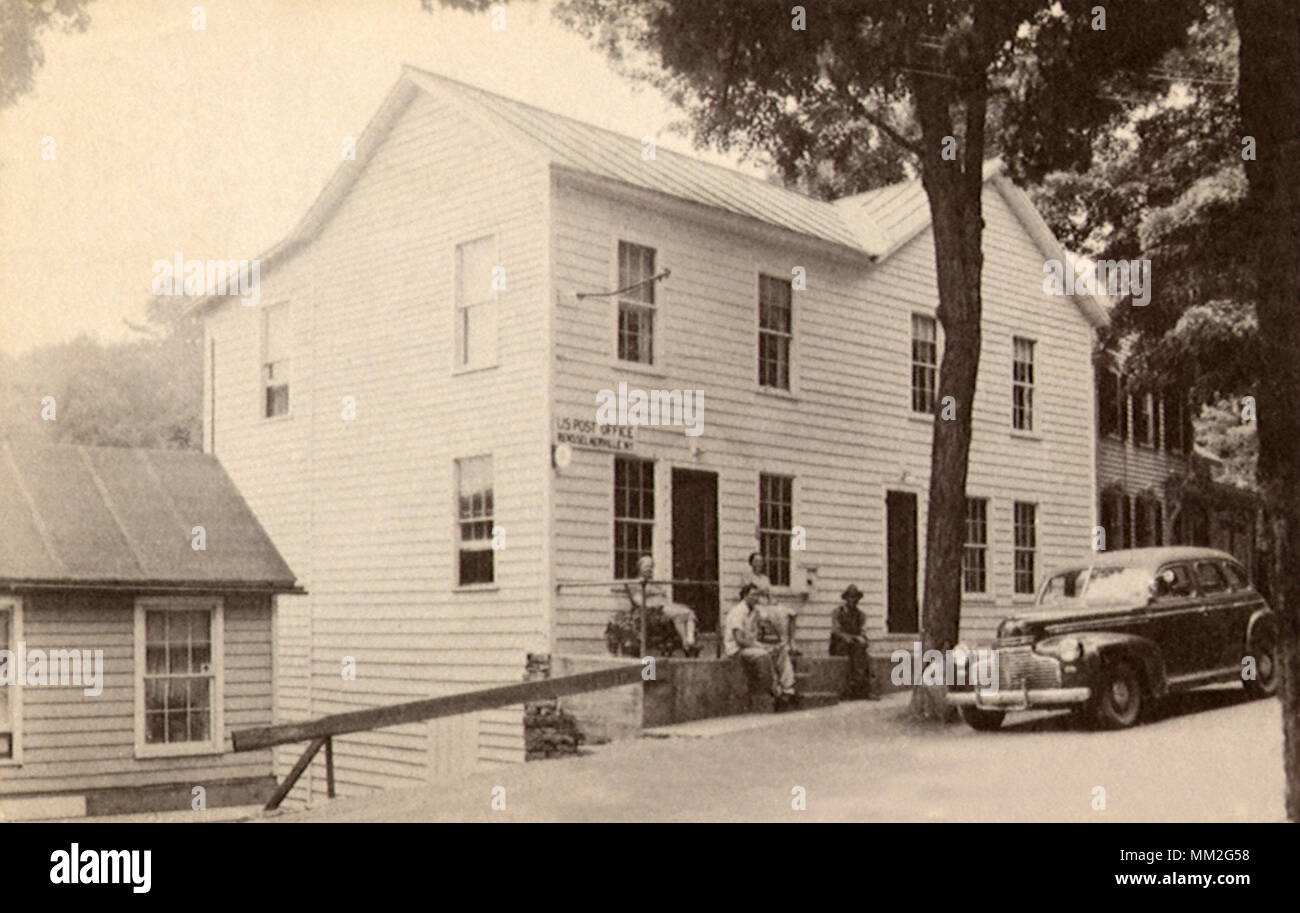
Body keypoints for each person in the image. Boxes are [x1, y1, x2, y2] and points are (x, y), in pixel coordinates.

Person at [725, 583, 798, 711]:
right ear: (744, 596)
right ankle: (777, 693)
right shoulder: (738, 612)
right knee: (765, 655)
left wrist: (770, 643)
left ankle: (788, 689)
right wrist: (763, 647)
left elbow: (767, 624)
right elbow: (740, 640)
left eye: (757, 595)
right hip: (736, 649)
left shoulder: (754, 611)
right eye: (752, 595)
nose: (755, 598)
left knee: (780, 650)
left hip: (751, 646)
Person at [634, 555, 699, 656]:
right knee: (680, 614)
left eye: (651, 566)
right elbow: (639, 601)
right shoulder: (637, 583)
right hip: (656, 610)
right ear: (639, 568)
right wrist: (653, 605)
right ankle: (686, 642)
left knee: (689, 612)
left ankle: (690, 641)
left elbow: (664, 595)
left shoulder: (655, 583)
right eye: (646, 566)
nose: (649, 569)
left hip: (666, 606)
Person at [830, 584, 877, 699]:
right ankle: (848, 690)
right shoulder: (838, 612)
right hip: (840, 645)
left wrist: (862, 639)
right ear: (846, 599)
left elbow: (863, 631)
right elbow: (836, 631)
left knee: (864, 656)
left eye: (855, 598)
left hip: (855, 646)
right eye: (850, 597)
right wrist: (852, 638)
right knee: (851, 653)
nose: (853, 600)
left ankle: (864, 690)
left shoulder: (860, 615)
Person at [746, 552, 798, 655]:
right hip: (757, 605)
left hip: (768, 604)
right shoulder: (748, 576)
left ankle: (791, 642)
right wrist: (760, 591)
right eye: (756, 561)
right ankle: (784, 644)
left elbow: (769, 594)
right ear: (751, 563)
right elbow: (747, 594)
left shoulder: (765, 578)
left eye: (761, 561)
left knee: (791, 613)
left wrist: (772, 600)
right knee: (778, 615)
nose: (759, 564)